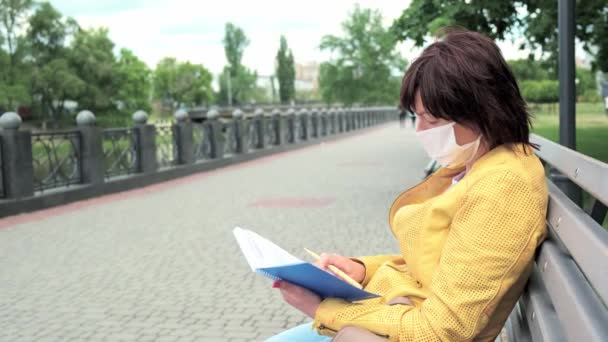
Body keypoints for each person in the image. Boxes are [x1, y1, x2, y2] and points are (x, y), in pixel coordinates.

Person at [265, 29, 548, 342]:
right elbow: (436, 266)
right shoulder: (478, 167)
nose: (420, 130)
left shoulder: (503, 188)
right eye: (417, 116)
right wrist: (360, 270)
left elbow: (441, 330)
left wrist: (324, 310)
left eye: (431, 119)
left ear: (481, 109)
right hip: (398, 311)